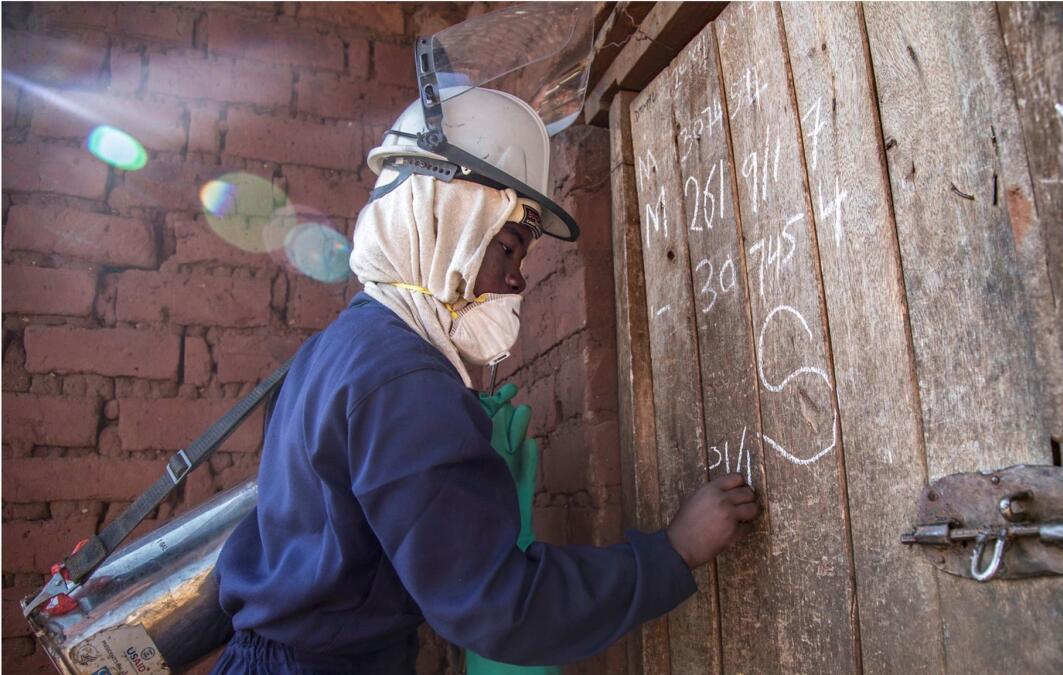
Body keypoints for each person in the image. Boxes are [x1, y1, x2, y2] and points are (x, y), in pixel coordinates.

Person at [211, 83, 760, 675]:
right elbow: (501, 607)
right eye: (507, 247)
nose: (519, 280)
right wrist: (673, 552)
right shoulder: (402, 379)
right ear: (445, 224)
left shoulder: (335, 349)